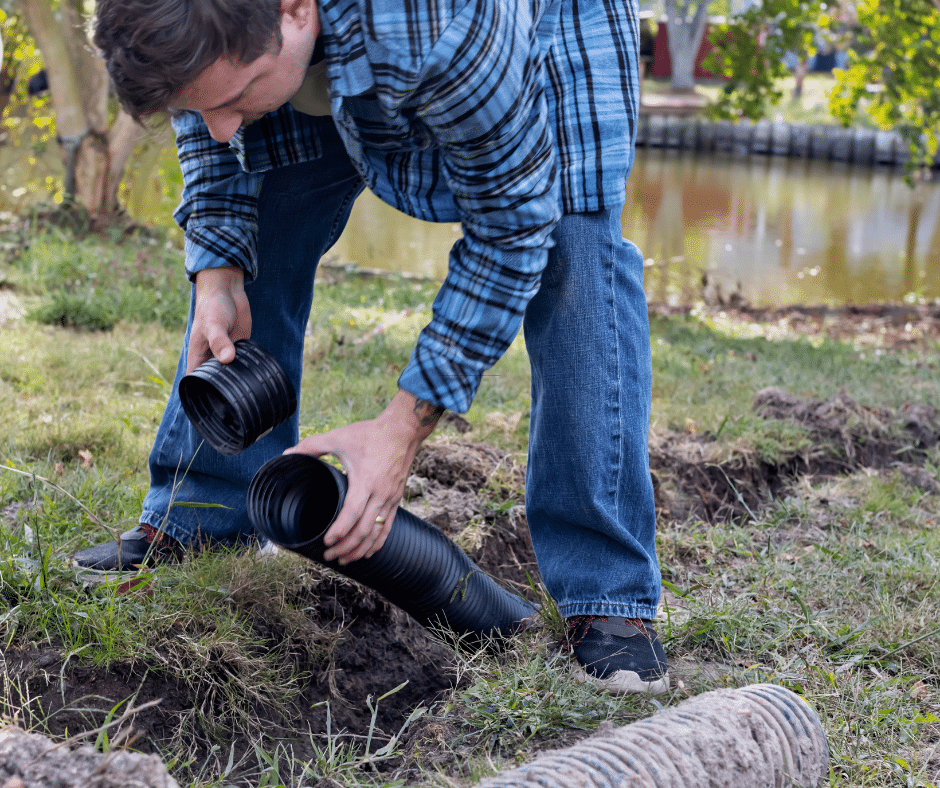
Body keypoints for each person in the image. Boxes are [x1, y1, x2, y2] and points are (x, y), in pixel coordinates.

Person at [78, 0, 668, 695]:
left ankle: (608, 596)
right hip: (337, 48)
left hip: (541, 35)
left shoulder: (441, 28)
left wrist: (400, 430)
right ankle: (206, 513)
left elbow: (513, 223)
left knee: (573, 255)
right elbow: (207, 111)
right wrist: (218, 272)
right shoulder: (216, 33)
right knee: (262, 211)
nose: (220, 125)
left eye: (236, 97)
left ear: (293, 10)